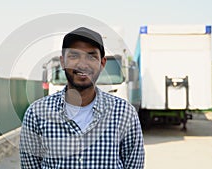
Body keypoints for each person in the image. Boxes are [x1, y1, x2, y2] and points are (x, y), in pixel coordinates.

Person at [20, 27, 145, 168]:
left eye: (91, 56)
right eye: (74, 56)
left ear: (102, 63)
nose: (83, 64)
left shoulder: (124, 113)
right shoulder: (36, 114)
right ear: (62, 62)